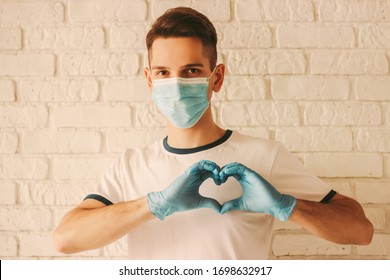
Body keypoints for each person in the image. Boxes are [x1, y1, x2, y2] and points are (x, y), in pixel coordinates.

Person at [53, 7, 373, 259]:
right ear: (150, 81)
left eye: (191, 71)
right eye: (164, 73)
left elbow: (360, 230)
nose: (176, 85)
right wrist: (154, 204)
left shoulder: (264, 157)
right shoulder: (130, 165)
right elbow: (66, 239)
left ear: (216, 77)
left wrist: (287, 206)